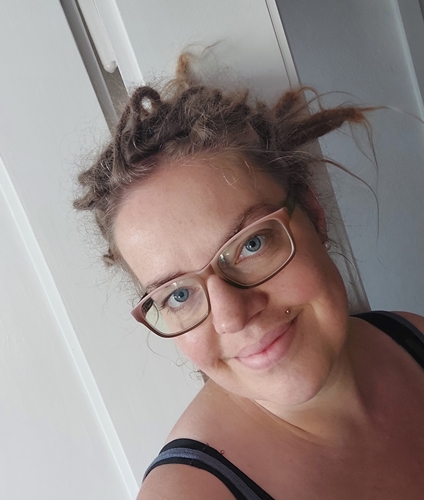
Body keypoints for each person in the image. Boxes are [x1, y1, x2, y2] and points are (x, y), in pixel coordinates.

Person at [74, 53, 424, 499]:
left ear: (313, 213)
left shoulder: (412, 337)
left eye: (250, 245)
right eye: (179, 295)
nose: (232, 316)